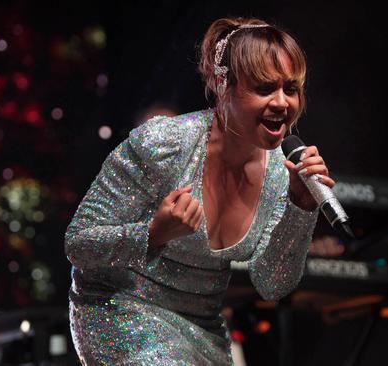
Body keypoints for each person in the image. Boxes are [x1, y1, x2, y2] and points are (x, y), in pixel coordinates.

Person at [65, 17, 335, 365]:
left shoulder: (281, 177)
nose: (283, 102)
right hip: (122, 308)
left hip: (202, 328)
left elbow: (273, 285)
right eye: (265, 88)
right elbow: (78, 242)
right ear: (224, 84)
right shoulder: (165, 144)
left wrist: (300, 205)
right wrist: (152, 234)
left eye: (291, 88)